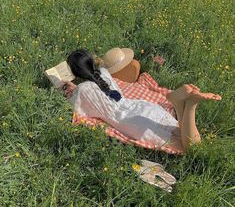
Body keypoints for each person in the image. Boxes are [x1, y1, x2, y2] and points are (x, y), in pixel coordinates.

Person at [64, 48, 222, 153]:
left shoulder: (82, 91)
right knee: (182, 134)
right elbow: (99, 85)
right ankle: (180, 104)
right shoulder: (104, 73)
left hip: (131, 122)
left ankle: (190, 105)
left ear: (75, 72)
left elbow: (76, 107)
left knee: (190, 148)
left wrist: (70, 89)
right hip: (142, 108)